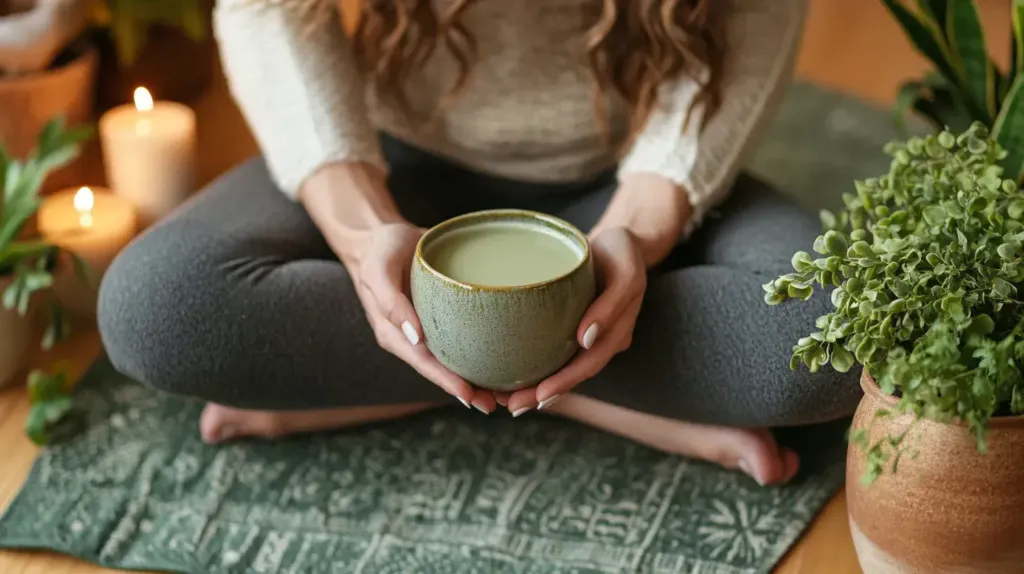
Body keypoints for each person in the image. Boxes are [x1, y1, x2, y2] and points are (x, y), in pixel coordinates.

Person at [97, 0, 860, 487]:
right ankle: (568, 387)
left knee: (831, 333)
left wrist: (639, 227)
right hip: (388, 163)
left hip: (629, 176)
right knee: (157, 306)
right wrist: (363, 235)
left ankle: (458, 380)